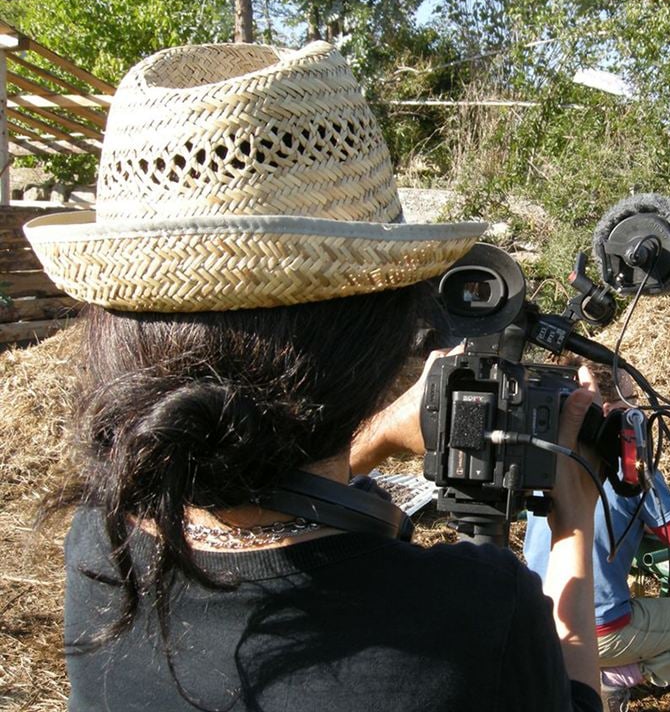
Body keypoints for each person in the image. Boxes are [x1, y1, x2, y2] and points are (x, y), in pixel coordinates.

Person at [29, 41, 603, 711]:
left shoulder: (102, 554)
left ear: (119, 335)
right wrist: (573, 526)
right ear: (380, 335)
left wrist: (375, 440)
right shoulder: (471, 616)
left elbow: (245, 505)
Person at [523, 372, 670, 712]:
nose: (638, 412)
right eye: (632, 402)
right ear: (610, 410)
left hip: (535, 621)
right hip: (597, 629)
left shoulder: (544, 456)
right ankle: (614, 676)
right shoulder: (629, 465)